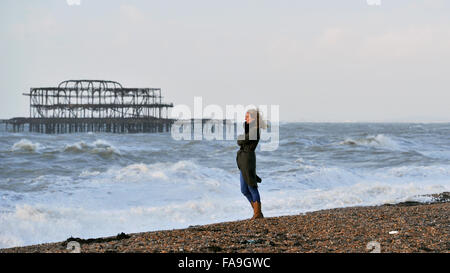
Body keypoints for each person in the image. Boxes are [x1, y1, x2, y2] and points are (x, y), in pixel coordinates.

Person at [236, 109, 267, 220]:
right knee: (244, 190)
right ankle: (256, 212)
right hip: (243, 160)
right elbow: (243, 139)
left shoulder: (255, 131)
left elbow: (241, 140)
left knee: (251, 186)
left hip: (248, 160)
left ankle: (258, 213)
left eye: (247, 117)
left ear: (253, 118)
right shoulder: (251, 129)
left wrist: (240, 139)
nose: (245, 119)